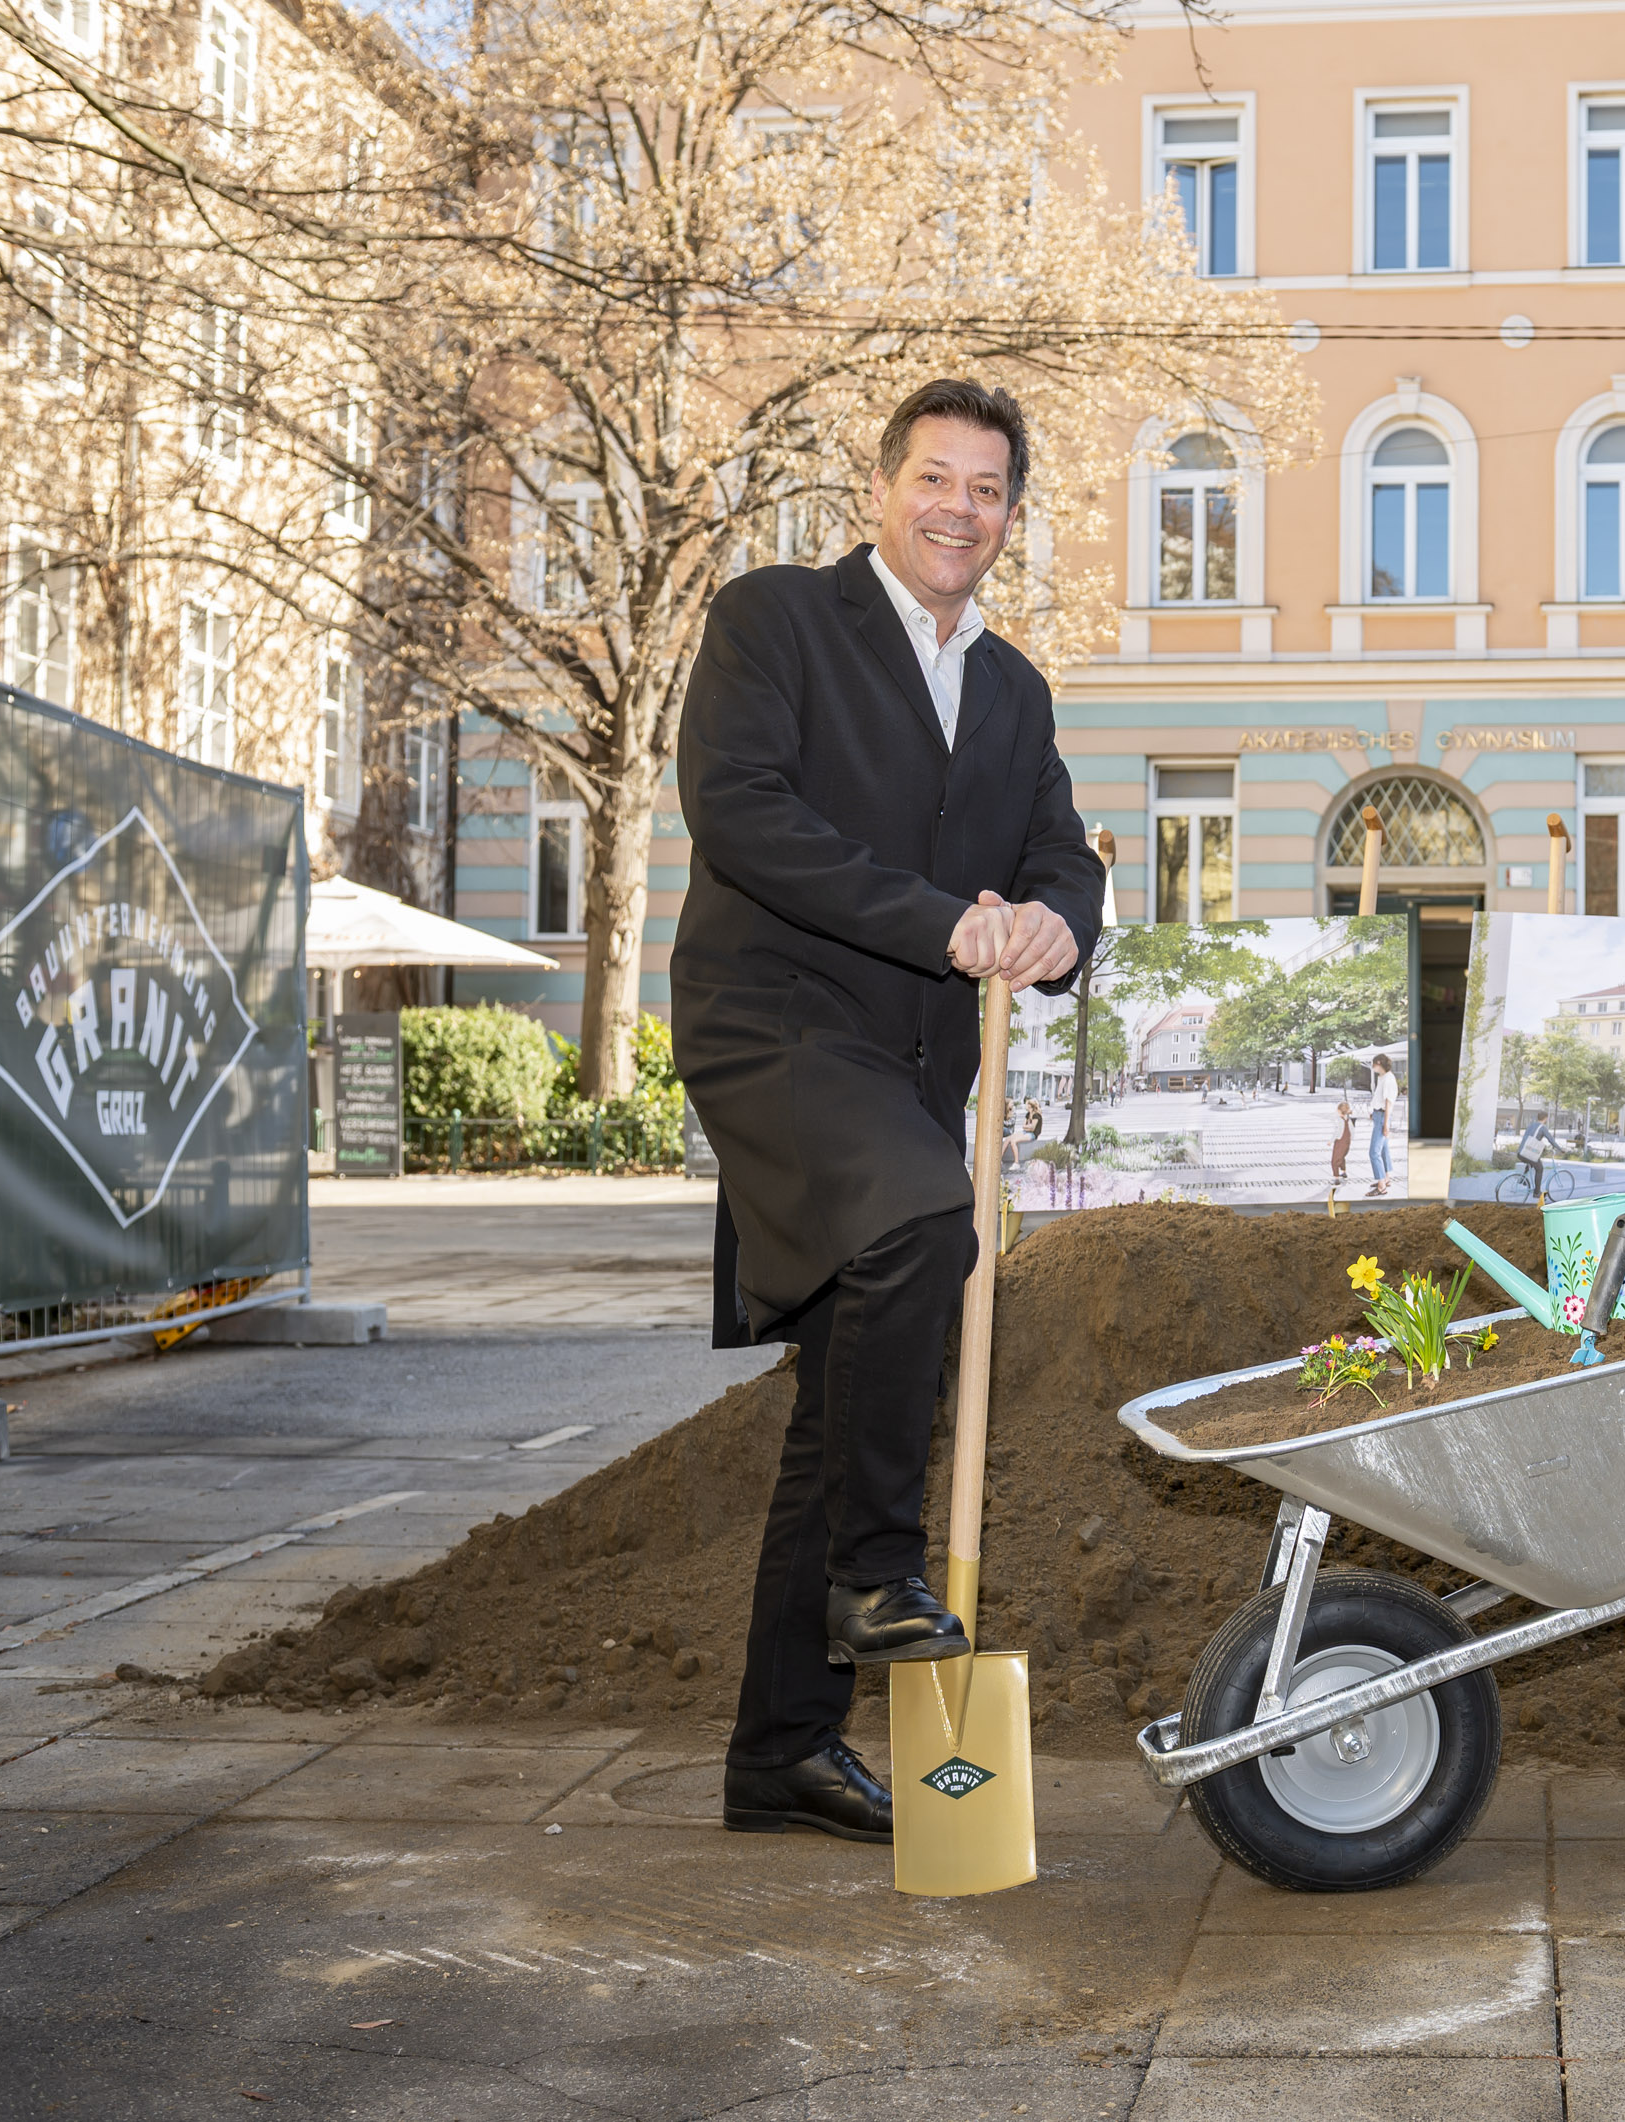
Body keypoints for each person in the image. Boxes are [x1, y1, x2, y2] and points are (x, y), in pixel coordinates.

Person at [671, 379, 1103, 1848]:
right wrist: (943, 923)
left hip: (908, 1070)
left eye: (987, 490)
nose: (957, 510)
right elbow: (745, 817)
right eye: (935, 478)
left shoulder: (1014, 688)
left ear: (1009, 517)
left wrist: (1052, 923)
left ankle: (778, 1752)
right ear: (880, 487)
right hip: (775, 1020)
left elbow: (1061, 852)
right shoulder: (774, 622)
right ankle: (876, 1571)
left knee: (841, 1388)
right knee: (931, 1219)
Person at [1365, 1050, 1399, 1196]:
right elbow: (1380, 1098)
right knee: (1383, 1150)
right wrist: (1374, 1112)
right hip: (1378, 1115)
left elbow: (1388, 1103)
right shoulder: (1383, 1077)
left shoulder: (1388, 1079)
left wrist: (1385, 1125)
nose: (1372, 1066)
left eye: (1373, 1064)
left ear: (1379, 1063)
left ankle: (1381, 1186)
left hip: (1383, 1117)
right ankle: (1386, 1178)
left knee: (1374, 1152)